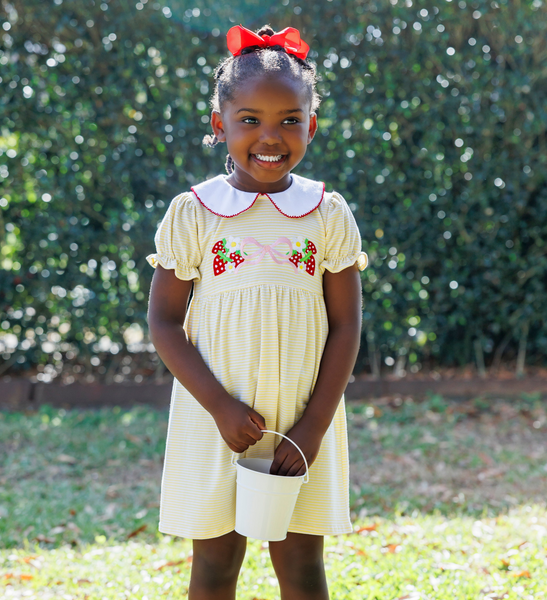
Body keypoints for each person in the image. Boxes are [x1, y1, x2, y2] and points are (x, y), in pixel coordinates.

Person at [147, 24, 368, 600]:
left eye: (289, 120)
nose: (270, 136)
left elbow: (346, 325)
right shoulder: (195, 214)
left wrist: (314, 427)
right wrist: (220, 407)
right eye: (250, 120)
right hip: (215, 420)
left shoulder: (327, 215)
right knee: (216, 566)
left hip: (303, 422)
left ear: (311, 125)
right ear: (219, 124)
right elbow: (164, 323)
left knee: (300, 566)